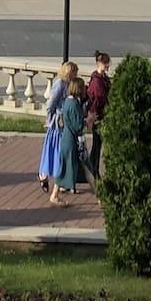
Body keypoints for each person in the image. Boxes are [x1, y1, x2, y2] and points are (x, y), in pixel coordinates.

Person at [49, 76, 87, 206]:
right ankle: (54, 195)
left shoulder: (67, 102)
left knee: (66, 167)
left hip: (66, 139)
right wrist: (87, 121)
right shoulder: (74, 105)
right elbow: (78, 126)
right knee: (79, 167)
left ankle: (55, 194)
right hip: (72, 142)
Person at [37, 61, 74, 191]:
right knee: (54, 150)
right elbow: (51, 104)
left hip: (64, 122)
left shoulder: (69, 84)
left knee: (60, 151)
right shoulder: (59, 84)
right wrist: (49, 120)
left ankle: (60, 179)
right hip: (57, 123)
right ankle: (44, 174)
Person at [85, 51, 111, 179]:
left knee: (98, 144)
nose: (107, 66)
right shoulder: (97, 80)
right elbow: (98, 99)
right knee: (97, 144)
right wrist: (93, 116)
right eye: (105, 64)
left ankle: (93, 169)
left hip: (102, 115)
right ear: (99, 63)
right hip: (98, 116)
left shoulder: (103, 78)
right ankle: (93, 170)